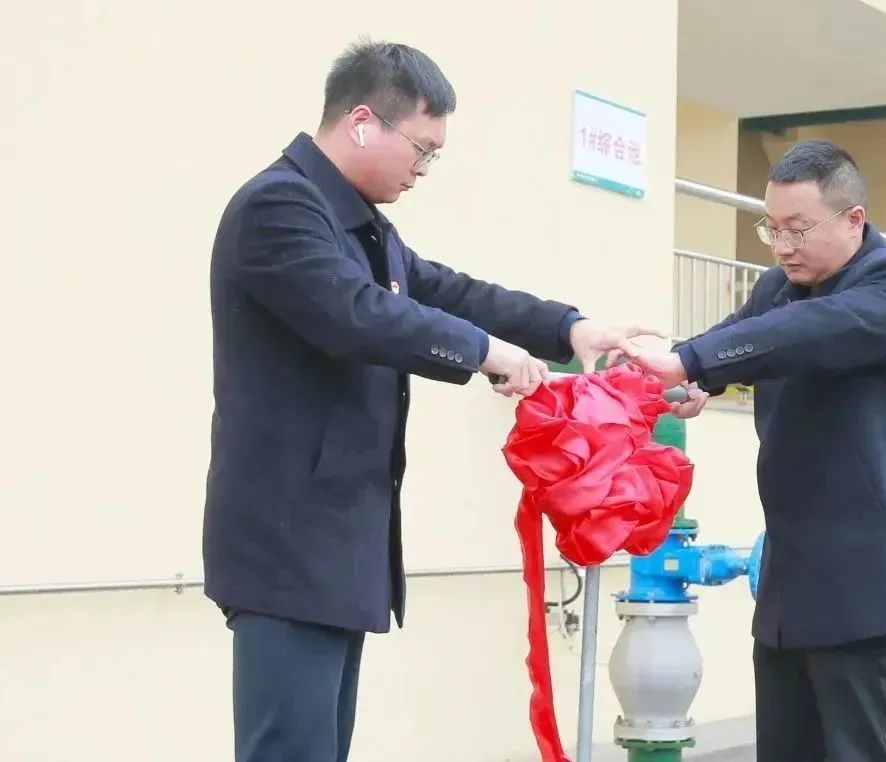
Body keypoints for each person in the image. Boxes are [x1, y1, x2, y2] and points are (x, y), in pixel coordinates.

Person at [203, 39, 655, 762]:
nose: (423, 168)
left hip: (333, 548)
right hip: (287, 547)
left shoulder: (359, 226)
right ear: (361, 122)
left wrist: (569, 329)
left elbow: (447, 292)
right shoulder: (278, 207)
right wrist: (485, 352)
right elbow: (357, 315)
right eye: (421, 148)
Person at [627, 140, 886, 761]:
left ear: (853, 219)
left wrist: (694, 361)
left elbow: (805, 334)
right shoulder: (778, 286)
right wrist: (692, 378)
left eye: (798, 229)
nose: (782, 246)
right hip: (786, 584)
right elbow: (740, 337)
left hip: (861, 587)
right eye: (771, 228)